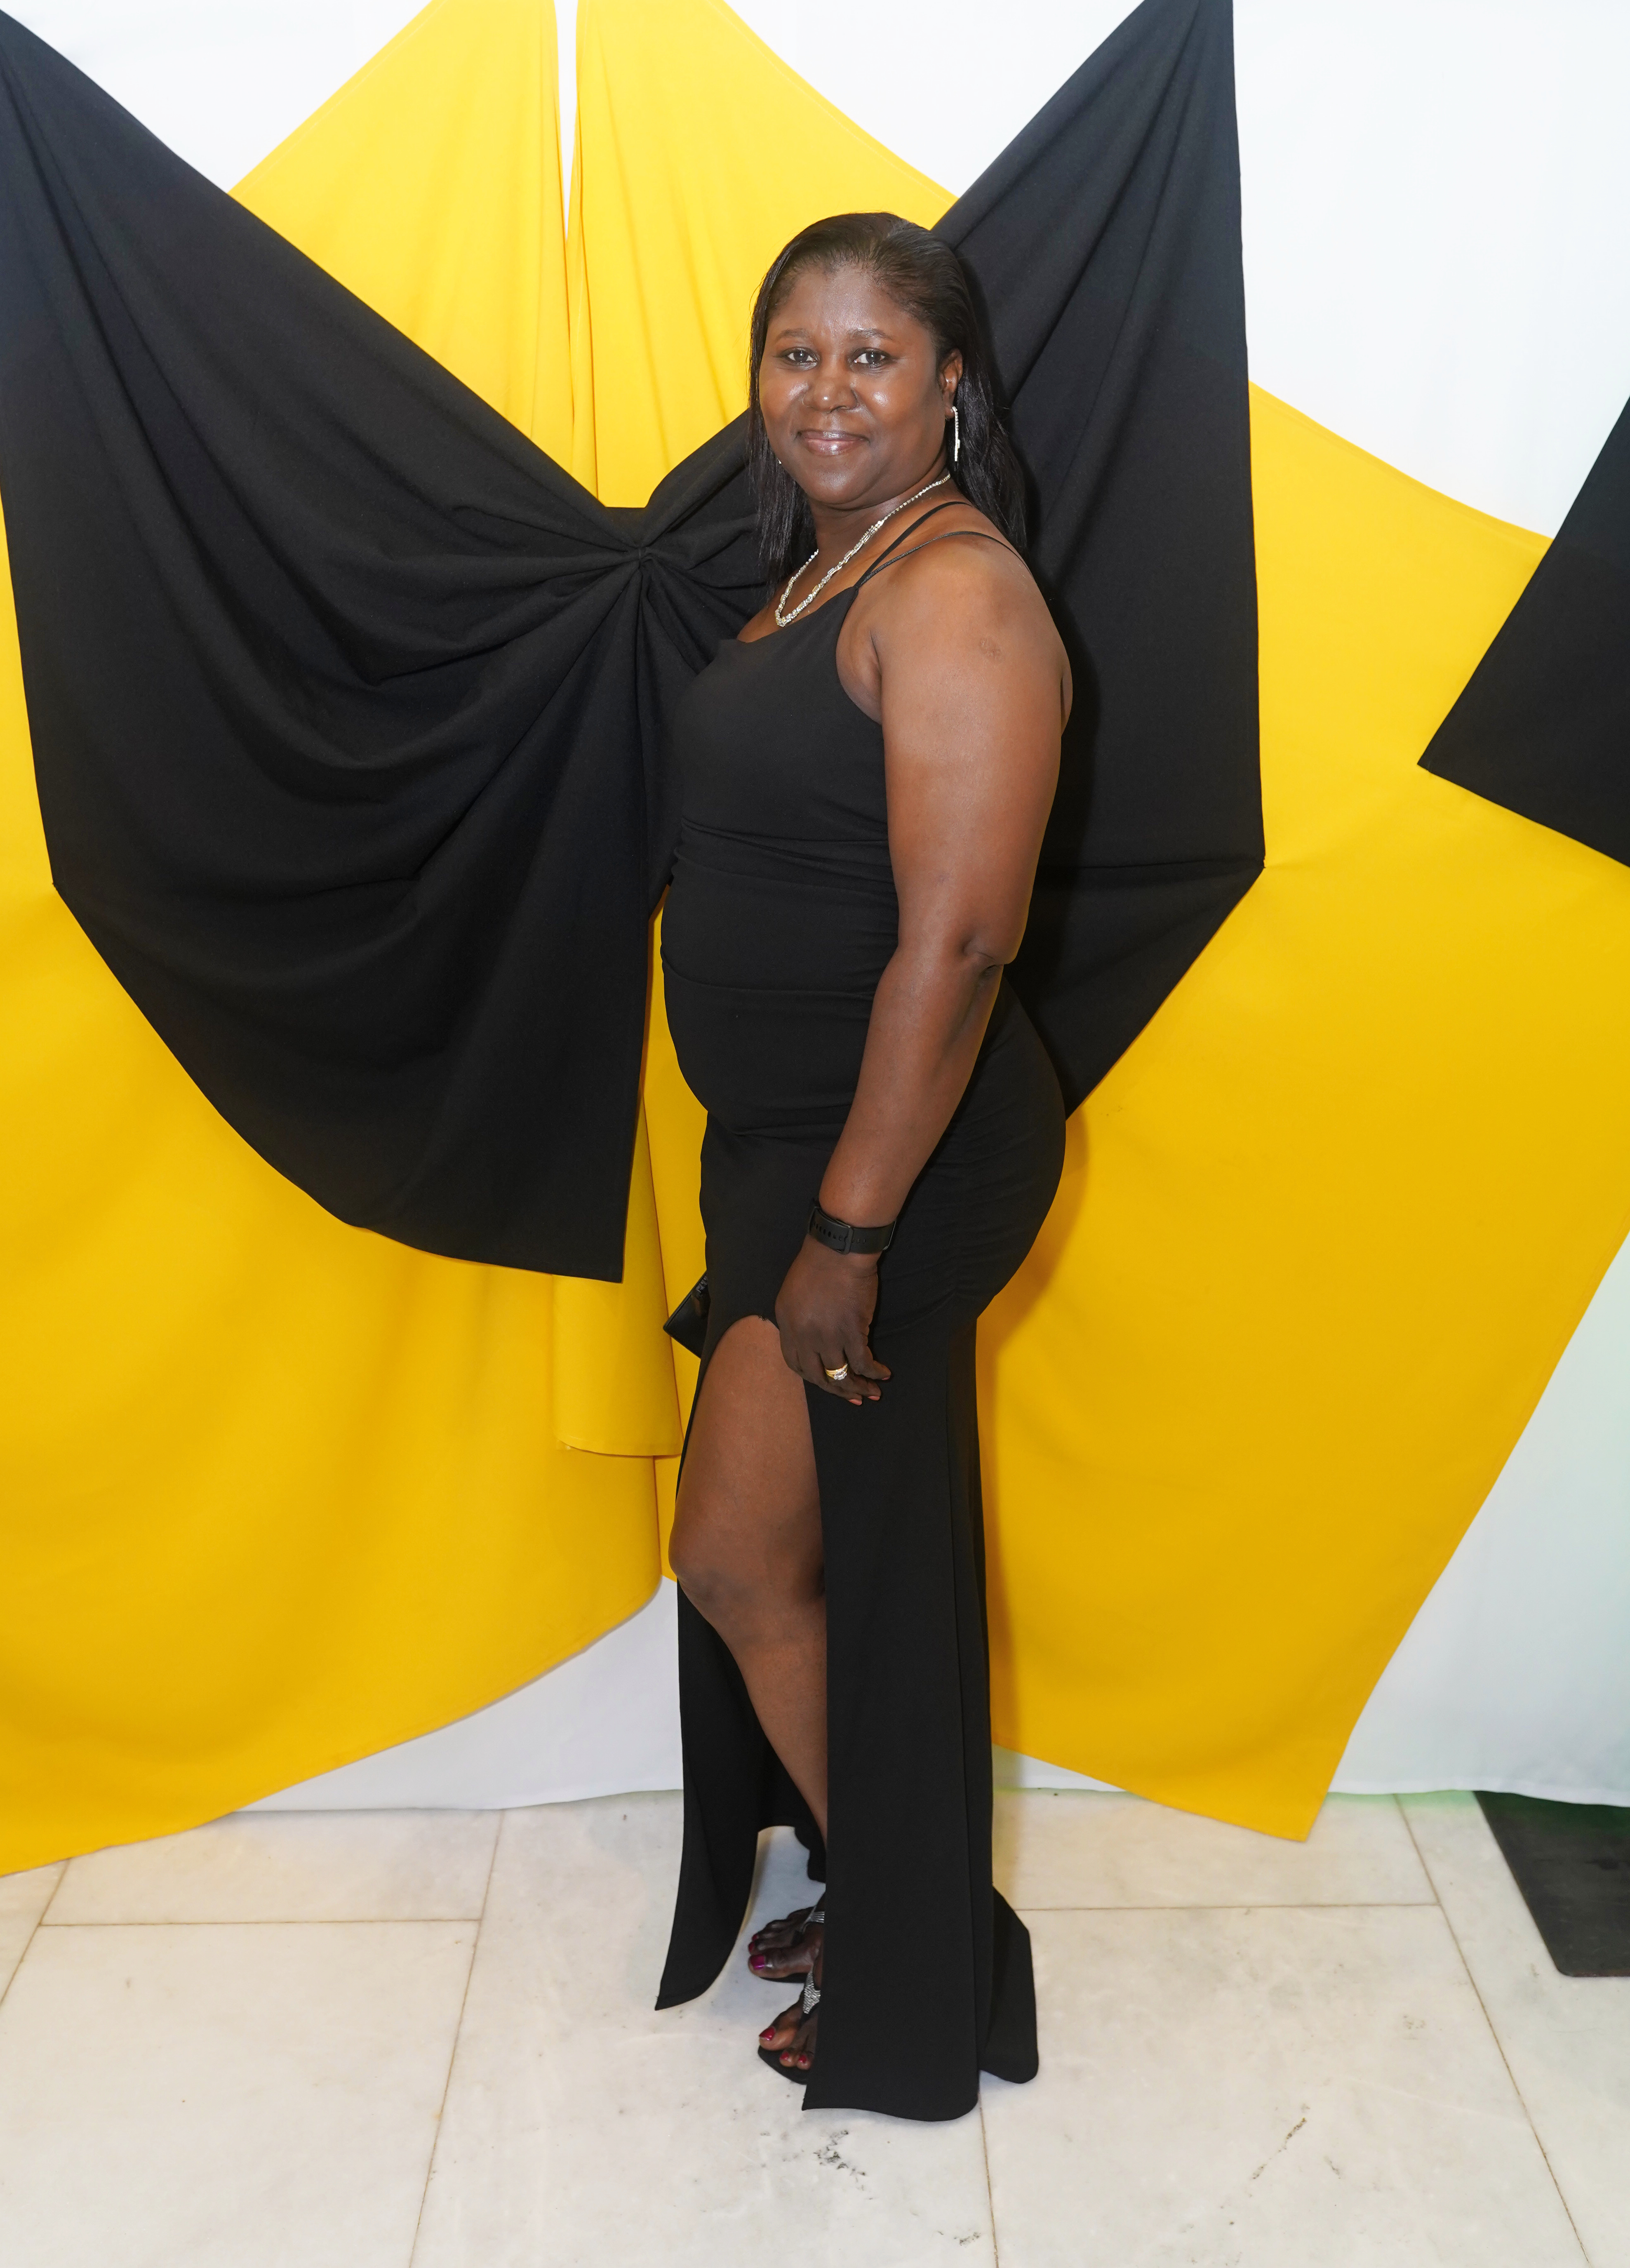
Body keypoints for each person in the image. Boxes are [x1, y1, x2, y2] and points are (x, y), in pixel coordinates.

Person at [657, 211, 1071, 2120]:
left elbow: (959, 940)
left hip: (887, 1173)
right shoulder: (835, 561)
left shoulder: (955, 592)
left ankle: (929, 1968)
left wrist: (848, 1231)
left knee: (807, 1566)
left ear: (948, 384)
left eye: (870, 354)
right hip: (797, 1153)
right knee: (753, 1560)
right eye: (794, 351)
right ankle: (908, 1903)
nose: (824, 389)